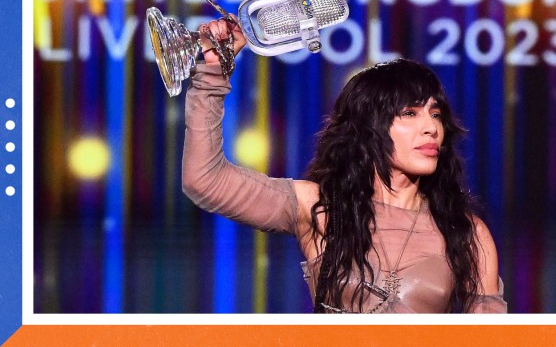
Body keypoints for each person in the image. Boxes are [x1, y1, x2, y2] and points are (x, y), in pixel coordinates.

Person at [182, 16, 507, 313]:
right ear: (369, 127)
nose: (431, 127)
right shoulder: (320, 207)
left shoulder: (466, 232)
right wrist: (213, 74)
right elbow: (204, 180)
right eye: (410, 113)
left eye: (435, 114)